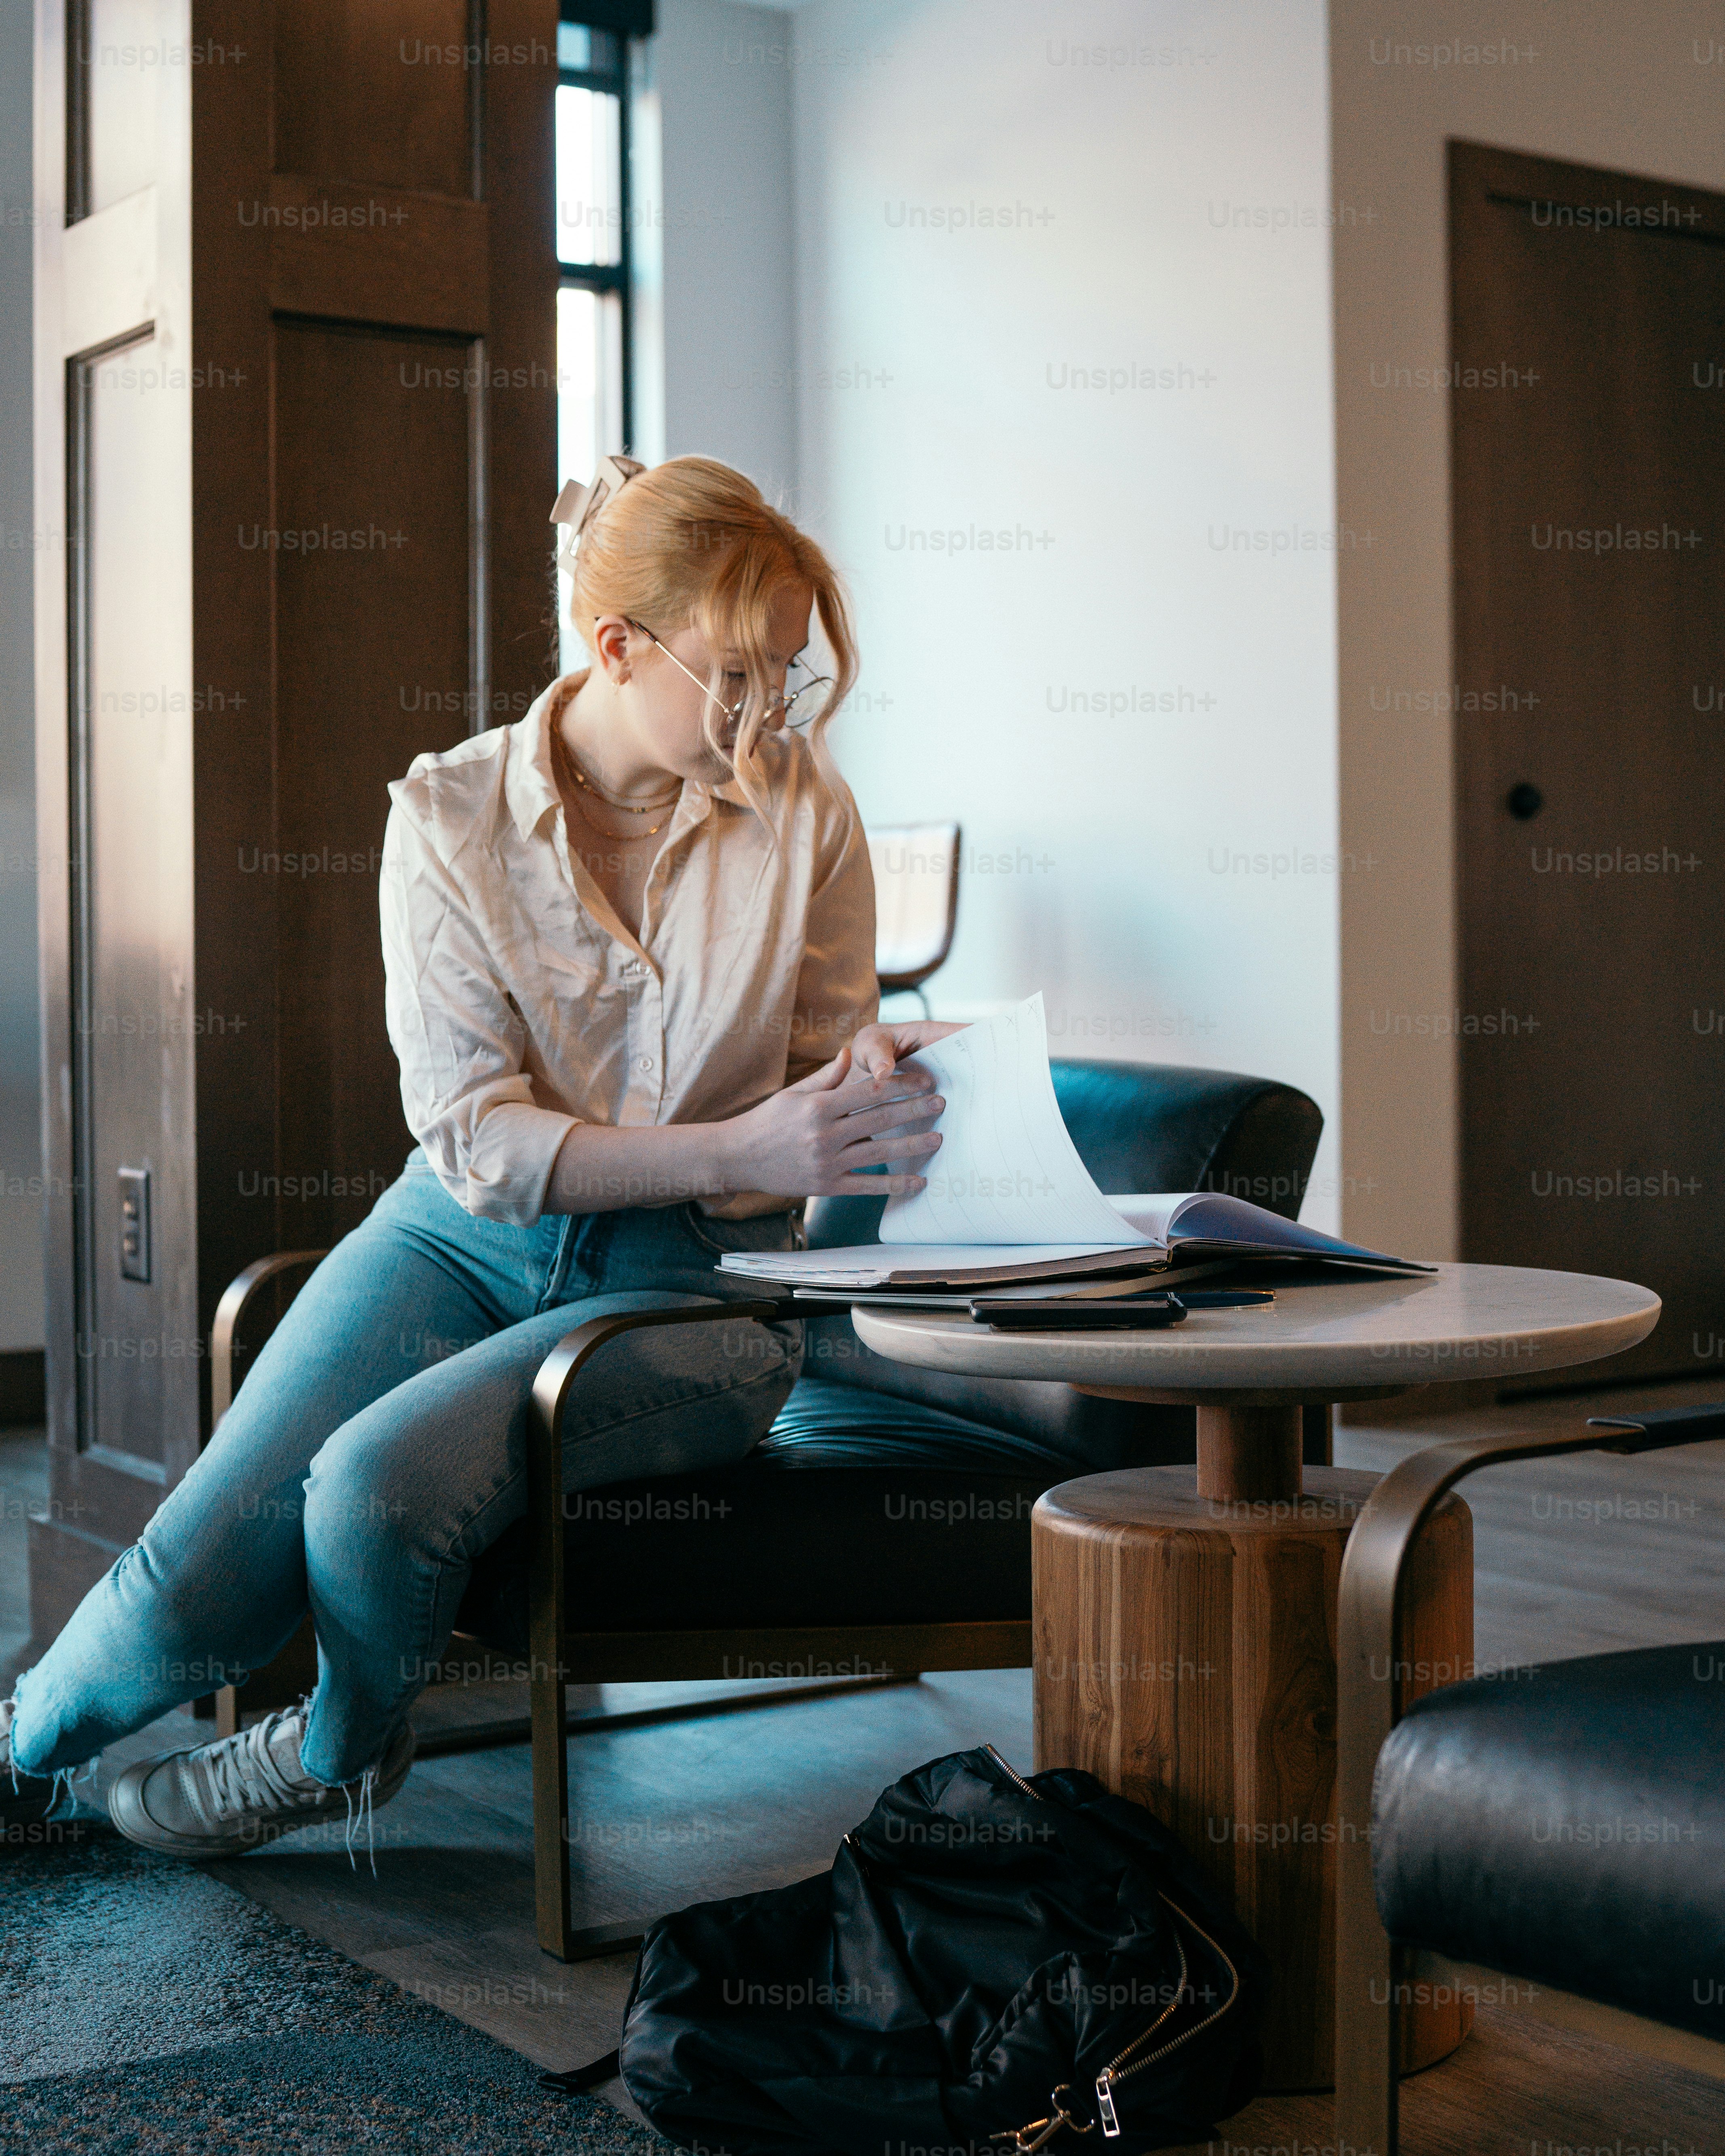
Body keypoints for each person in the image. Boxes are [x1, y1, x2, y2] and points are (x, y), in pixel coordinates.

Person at [1, 454, 958, 1855]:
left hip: (692, 1288)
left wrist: (864, 1077)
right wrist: (742, 1137)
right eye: (737, 676)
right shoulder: (446, 818)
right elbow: (477, 1143)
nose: (767, 718)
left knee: (370, 1493)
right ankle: (19, 1758)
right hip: (455, 1235)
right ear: (617, 646)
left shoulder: (804, 808)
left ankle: (332, 1759)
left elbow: (827, 1057)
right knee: (183, 1588)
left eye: (789, 680)